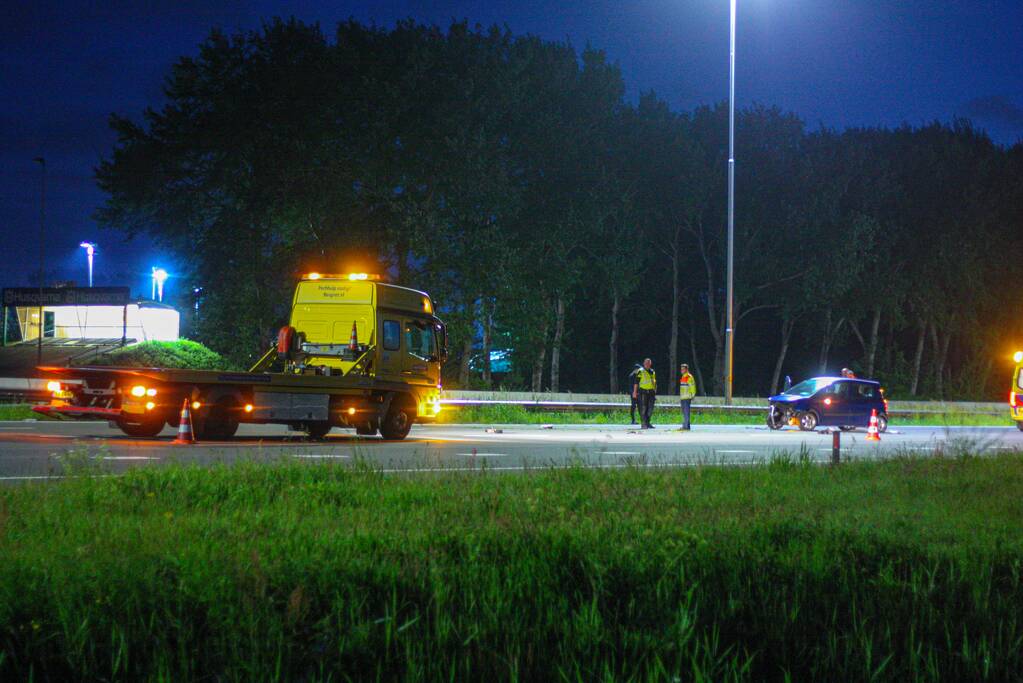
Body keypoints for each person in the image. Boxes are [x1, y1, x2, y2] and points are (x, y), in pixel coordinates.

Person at [634, 358, 657, 429]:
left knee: (650, 408)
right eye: (646, 363)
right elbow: (636, 382)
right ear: (644, 363)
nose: (647, 364)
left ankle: (648, 422)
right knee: (643, 408)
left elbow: (654, 382)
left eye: (649, 363)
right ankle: (643, 424)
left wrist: (655, 391)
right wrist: (634, 392)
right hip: (643, 392)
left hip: (651, 392)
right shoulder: (640, 371)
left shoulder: (652, 371)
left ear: (650, 364)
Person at [678, 363, 697, 430]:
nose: (681, 370)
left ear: (686, 369)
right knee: (684, 412)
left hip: (687, 397)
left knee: (686, 412)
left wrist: (693, 395)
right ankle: (686, 425)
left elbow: (692, 386)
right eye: (681, 369)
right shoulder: (683, 377)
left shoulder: (689, 377)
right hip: (683, 397)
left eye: (683, 369)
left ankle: (686, 426)